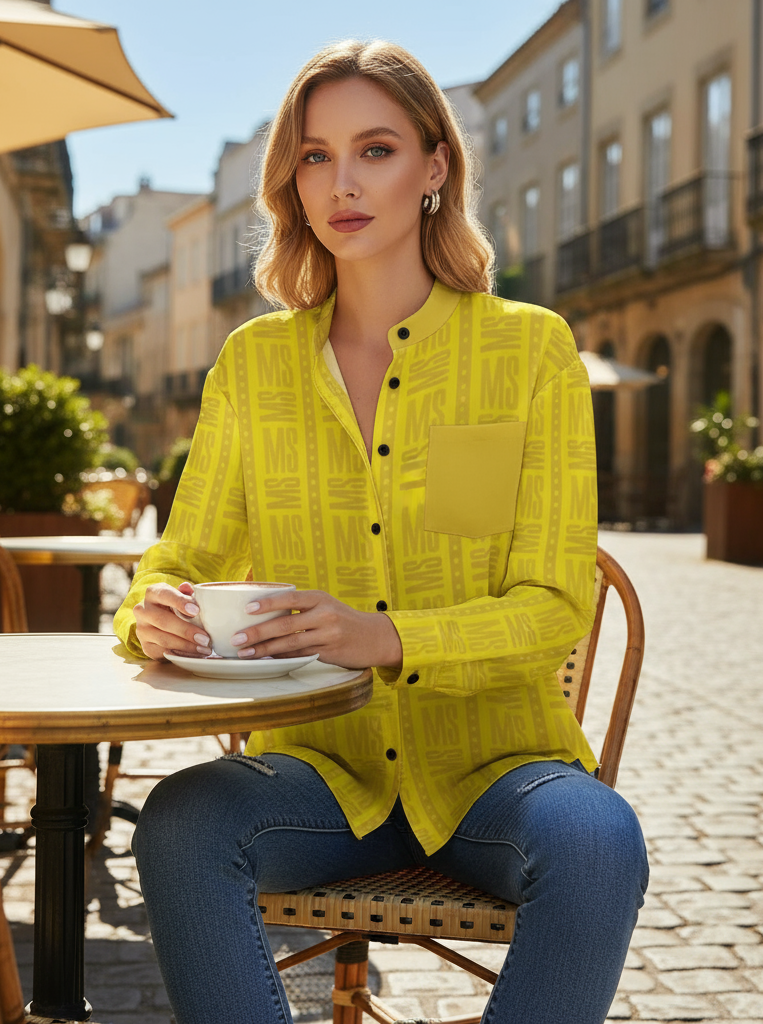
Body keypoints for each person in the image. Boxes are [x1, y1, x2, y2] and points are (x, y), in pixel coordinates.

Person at [115, 39, 648, 1024]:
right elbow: (184, 554)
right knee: (182, 820)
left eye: (375, 149)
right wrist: (153, 610)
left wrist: (386, 636)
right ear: (291, 181)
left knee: (599, 840)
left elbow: (554, 602)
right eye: (315, 156)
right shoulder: (252, 364)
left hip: (500, 774)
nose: (342, 182)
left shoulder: (528, 351)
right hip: (320, 775)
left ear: (434, 167)